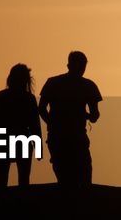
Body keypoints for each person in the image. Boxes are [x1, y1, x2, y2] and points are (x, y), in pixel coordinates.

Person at [38, 50, 103, 186]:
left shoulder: (54, 83)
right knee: (77, 178)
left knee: (71, 177)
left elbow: (42, 108)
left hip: (68, 137)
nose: (81, 69)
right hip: (68, 137)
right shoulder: (88, 86)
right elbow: (95, 116)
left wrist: (52, 123)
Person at [0, 63, 42, 189]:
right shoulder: (29, 98)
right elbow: (35, 125)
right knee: (23, 182)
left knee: (1, 183)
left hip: (5, 142)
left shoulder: (1, 96)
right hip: (22, 141)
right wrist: (38, 148)